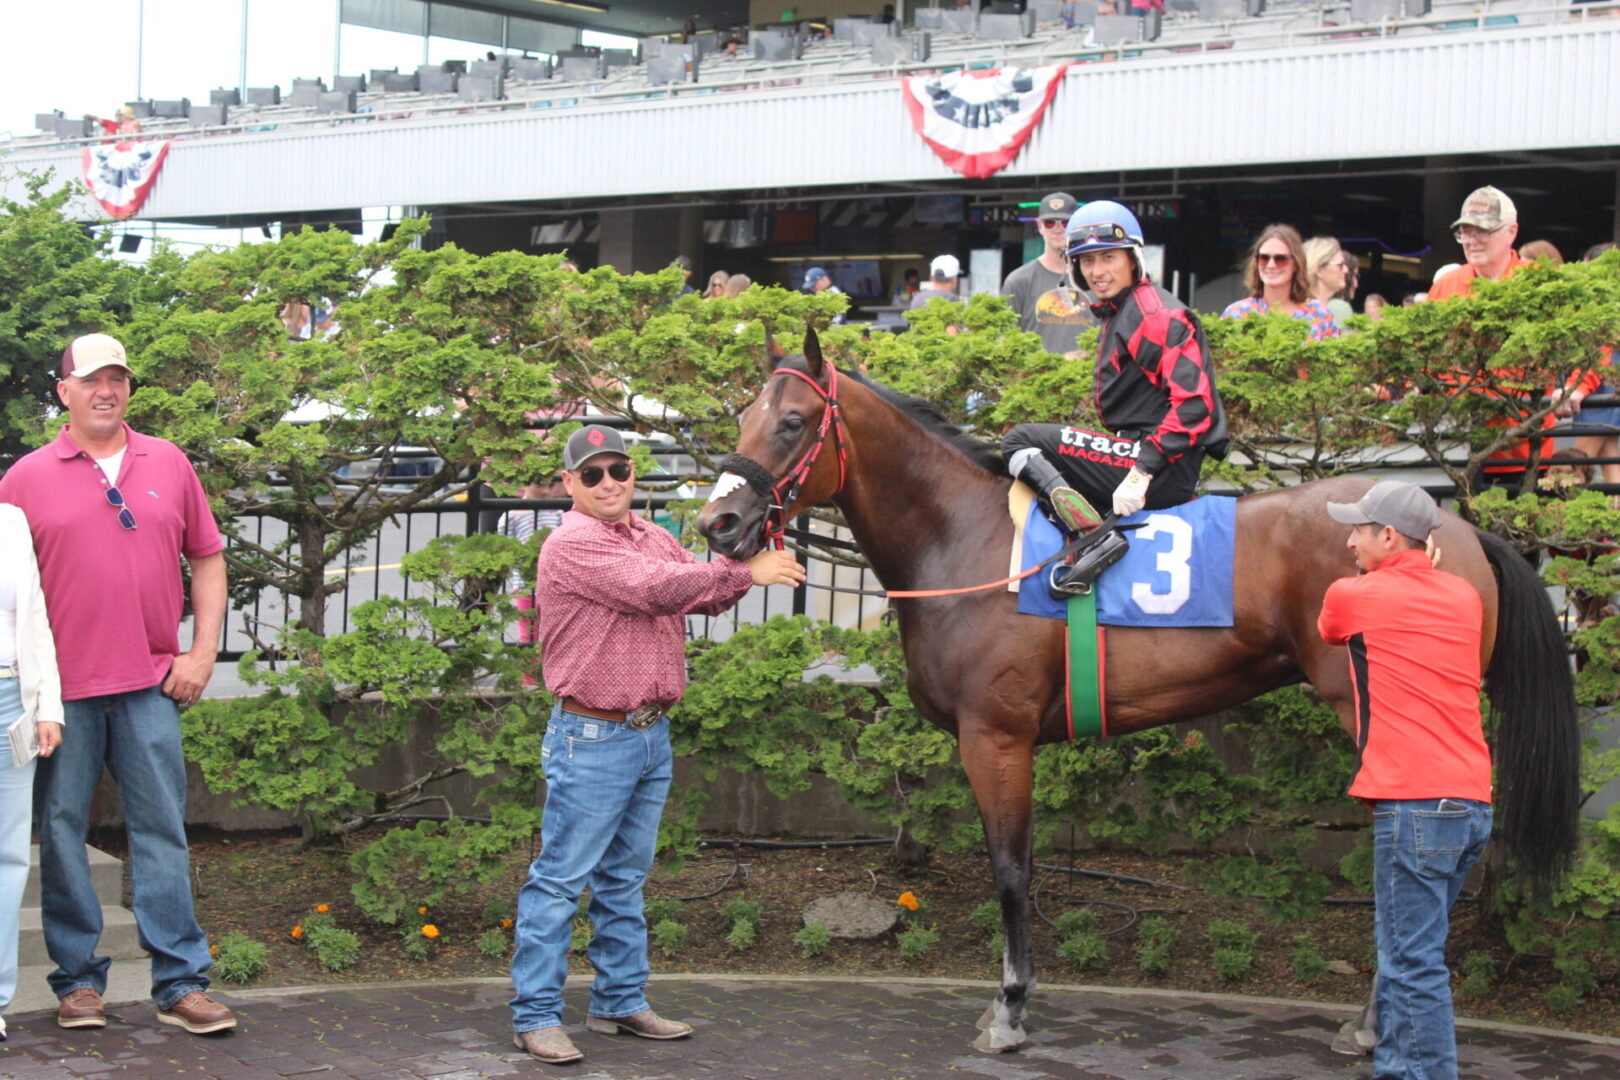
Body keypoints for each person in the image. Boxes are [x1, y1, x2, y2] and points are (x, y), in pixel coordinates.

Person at [509, 425, 804, 1065]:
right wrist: (746, 572)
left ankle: (619, 1002)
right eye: (592, 474)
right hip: (592, 735)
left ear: (632, 474)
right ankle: (535, 1016)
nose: (608, 483)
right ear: (569, 484)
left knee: (622, 880)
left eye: (618, 470)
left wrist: (745, 551)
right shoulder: (573, 543)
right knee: (560, 882)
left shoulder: (651, 536)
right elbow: (656, 589)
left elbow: (701, 593)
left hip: (648, 733)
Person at [0, 333, 233, 1035]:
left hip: (150, 683)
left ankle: (181, 983)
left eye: (118, 379)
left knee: (162, 829)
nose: (106, 392)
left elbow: (208, 558)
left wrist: (202, 653)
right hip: (60, 695)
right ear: (64, 392)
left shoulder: (168, 462)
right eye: (91, 380)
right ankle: (77, 982)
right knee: (62, 831)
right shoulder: (24, 480)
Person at [1318, 480, 1492, 1080]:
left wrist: (1378, 576)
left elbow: (1331, 628)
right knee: (1408, 960)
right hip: (1470, 803)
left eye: (1359, 530)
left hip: (1414, 802)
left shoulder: (1352, 594)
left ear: (1389, 535)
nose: (1350, 542)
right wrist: (1417, 571)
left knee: (1412, 965)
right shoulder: (1464, 596)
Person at [1001, 200, 1229, 591]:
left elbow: (1196, 405)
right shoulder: (1122, 308)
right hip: (1142, 454)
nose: (1097, 271)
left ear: (1133, 259)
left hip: (1160, 468)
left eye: (1108, 257)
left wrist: (1142, 472)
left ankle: (1096, 538)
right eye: (1087, 261)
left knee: (1019, 440)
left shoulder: (1154, 314)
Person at [0, 502, 64, 1041]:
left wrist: (48, 707)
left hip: (9, 701)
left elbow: (36, 620)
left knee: (8, 855)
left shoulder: (12, 521)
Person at [999, 191, 1096, 356]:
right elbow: (1004, 341)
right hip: (1033, 372)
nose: (1058, 229)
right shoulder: (1018, 281)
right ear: (1039, 226)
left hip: (1087, 372)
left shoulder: (1096, 277)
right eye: (1050, 223)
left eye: (1065, 223)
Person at [497, 475, 567, 688]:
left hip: (555, 585)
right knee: (528, 633)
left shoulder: (557, 513)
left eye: (550, 485)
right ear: (525, 483)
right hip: (525, 585)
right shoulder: (511, 516)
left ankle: (555, 678)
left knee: (557, 633)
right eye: (539, 485)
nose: (545, 491)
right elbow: (505, 549)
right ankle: (529, 681)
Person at [1221, 225, 1340, 340]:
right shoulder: (1237, 313)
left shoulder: (1321, 315)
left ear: (1296, 263)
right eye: (1264, 258)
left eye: (1280, 259)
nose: (1271, 265)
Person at [1427, 186, 1523, 301]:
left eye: (1483, 231)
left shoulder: (1537, 281)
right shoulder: (1445, 286)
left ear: (1511, 232)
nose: (1472, 241)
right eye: (1466, 232)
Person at [1305, 237, 1356, 326]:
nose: (1346, 270)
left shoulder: (1322, 311)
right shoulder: (1309, 315)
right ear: (1319, 271)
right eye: (1340, 265)